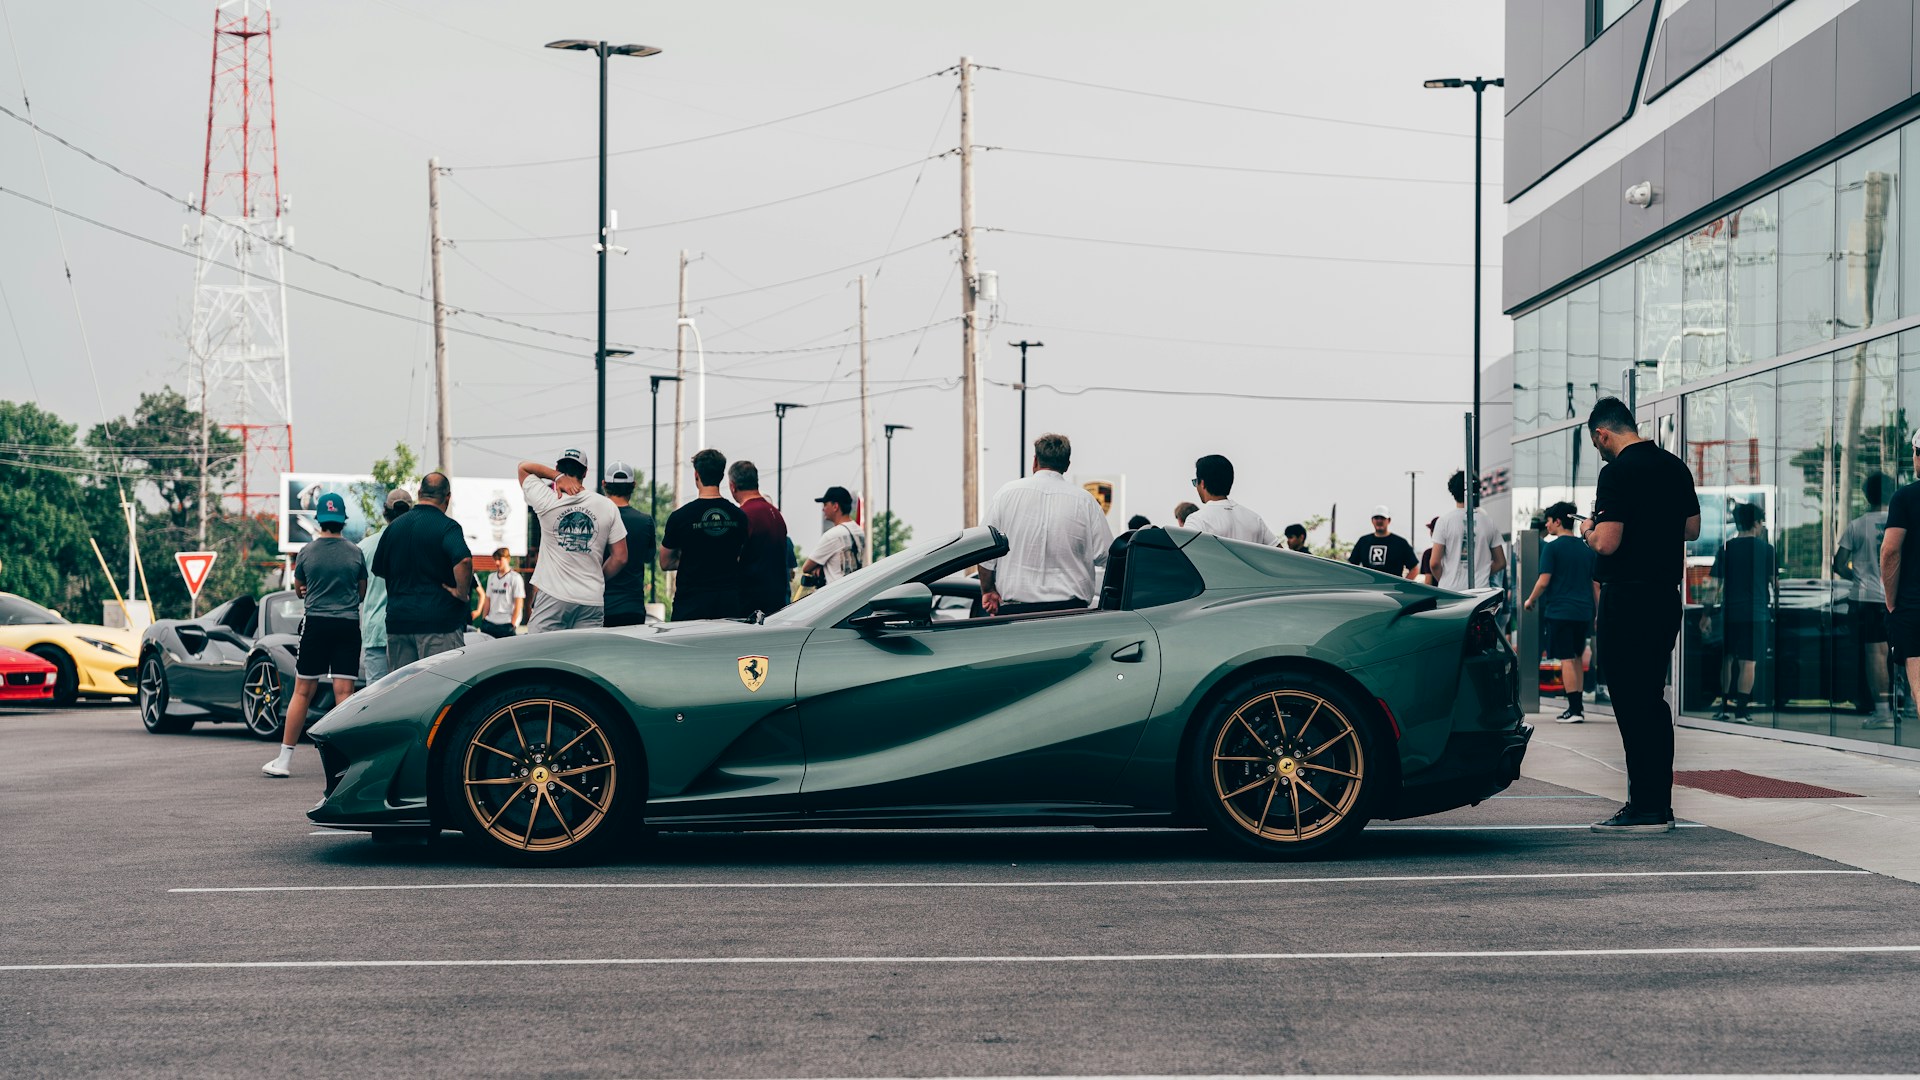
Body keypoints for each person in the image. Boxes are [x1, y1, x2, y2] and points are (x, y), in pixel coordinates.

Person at [1584, 396, 1702, 833]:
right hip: (1663, 597)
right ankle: (1658, 804)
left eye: (1597, 442)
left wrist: (1588, 531)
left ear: (1603, 434)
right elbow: (1691, 529)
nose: (1599, 449)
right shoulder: (1674, 466)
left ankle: (1644, 809)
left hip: (1627, 599)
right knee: (1652, 701)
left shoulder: (1615, 473)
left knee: (1632, 703)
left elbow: (1608, 542)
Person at [264, 492, 365, 778]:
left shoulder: (306, 552)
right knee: (344, 693)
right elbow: (361, 592)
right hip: (347, 624)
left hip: (317, 624)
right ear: (343, 521)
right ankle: (348, 762)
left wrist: (312, 590)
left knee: (303, 691)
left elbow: (299, 590)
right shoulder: (355, 552)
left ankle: (283, 760)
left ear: (319, 520)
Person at [979, 433, 1111, 615]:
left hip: (1015, 614)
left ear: (1035, 461)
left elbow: (985, 551)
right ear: (1067, 465)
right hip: (1070, 614)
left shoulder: (1006, 494)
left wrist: (988, 590)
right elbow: (1108, 556)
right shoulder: (1086, 501)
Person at [372, 471, 474, 670]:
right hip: (438, 624)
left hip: (399, 623)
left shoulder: (394, 528)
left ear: (420, 492)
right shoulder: (447, 527)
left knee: (403, 689)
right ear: (447, 497)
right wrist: (461, 592)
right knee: (443, 687)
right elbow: (464, 560)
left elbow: (380, 569)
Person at [518, 450, 628, 632]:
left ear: (557, 468)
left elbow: (523, 467)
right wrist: (597, 577)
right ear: (585, 472)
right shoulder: (607, 506)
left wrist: (556, 477)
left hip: (554, 595)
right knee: (585, 658)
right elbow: (621, 557)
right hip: (591, 599)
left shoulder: (547, 499)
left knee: (540, 655)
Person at [1522, 500, 1597, 723]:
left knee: (1566, 659)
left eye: (1549, 520)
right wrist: (1598, 613)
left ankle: (1574, 710)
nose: (1547, 525)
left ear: (1557, 521)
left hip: (1561, 611)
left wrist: (1530, 600)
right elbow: (1595, 584)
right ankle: (1578, 707)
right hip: (1583, 612)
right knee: (1575, 658)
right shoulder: (1586, 549)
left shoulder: (1553, 548)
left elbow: (1544, 580)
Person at [661, 448, 751, 621]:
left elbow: (665, 562)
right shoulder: (739, 516)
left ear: (696, 475)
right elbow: (741, 555)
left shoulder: (680, 517)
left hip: (690, 605)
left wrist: (690, 558)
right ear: (722, 476)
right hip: (728, 604)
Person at [1707, 501, 1775, 724]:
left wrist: (1706, 613)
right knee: (1749, 662)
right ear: (1756, 523)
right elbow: (1776, 584)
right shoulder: (1766, 550)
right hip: (1756, 614)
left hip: (1730, 613)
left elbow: (1713, 586)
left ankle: (1724, 707)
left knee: (1727, 660)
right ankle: (1742, 711)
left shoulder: (1725, 548)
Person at [1836, 473, 1894, 727]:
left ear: (1866, 495)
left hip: (1867, 599)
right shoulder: (1902, 523)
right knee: (1905, 653)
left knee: (1876, 655)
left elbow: (1838, 564)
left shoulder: (1857, 525)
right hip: (1899, 598)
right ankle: (1912, 705)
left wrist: (1857, 575)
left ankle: (1883, 712)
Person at [356, 485, 410, 682]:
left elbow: (355, 590)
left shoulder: (364, 547)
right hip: (408, 631)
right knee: (407, 693)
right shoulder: (416, 544)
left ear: (384, 512)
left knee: (376, 698)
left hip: (375, 630)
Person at [728, 460, 791, 616]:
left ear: (732, 486)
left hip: (750, 605)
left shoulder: (742, 515)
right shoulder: (776, 514)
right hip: (776, 602)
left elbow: (732, 558)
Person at [1431, 469, 1506, 590]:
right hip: (1480, 590)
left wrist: (1446, 579)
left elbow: (1434, 563)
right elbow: (1501, 562)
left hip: (1451, 590)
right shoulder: (1488, 522)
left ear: (1452, 491)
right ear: (1475, 491)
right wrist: (1483, 573)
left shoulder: (1444, 521)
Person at [603, 461, 657, 628]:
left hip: (600, 606)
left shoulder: (596, 519)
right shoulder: (645, 521)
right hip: (632, 607)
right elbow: (648, 557)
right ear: (634, 485)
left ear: (604, 485)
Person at [1184, 455, 1277, 545]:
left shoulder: (1197, 520)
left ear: (1202, 483)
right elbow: (1282, 555)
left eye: (1196, 482)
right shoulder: (1255, 519)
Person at [800, 486, 868, 590]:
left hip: (835, 594)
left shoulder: (832, 535)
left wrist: (819, 566)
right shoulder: (859, 532)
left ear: (835, 506)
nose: (823, 509)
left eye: (825, 504)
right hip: (855, 591)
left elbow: (806, 567)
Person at [1348, 505, 1418, 578]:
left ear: (1389, 520)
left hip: (1391, 588)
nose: (1379, 521)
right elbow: (1351, 567)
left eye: (1382, 518)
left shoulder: (1400, 543)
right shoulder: (1363, 541)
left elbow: (1414, 569)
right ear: (1372, 520)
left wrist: (1402, 587)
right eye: (1376, 518)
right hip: (1368, 588)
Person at [474, 547, 524, 639]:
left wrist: (513, 623)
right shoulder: (492, 577)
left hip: (506, 623)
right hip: (491, 622)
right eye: (495, 560)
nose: (497, 563)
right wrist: (484, 619)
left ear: (507, 559)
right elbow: (488, 599)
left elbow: (519, 603)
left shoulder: (515, 578)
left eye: (500, 559)